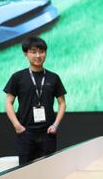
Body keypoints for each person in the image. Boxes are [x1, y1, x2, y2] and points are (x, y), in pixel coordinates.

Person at [4, 36, 67, 165]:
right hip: (26, 133)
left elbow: (62, 103)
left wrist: (56, 125)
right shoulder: (18, 77)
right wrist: (17, 126)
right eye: (33, 52)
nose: (38, 55)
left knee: (48, 169)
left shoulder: (53, 77)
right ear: (25, 54)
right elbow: (8, 103)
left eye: (42, 51)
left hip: (48, 133)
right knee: (25, 170)